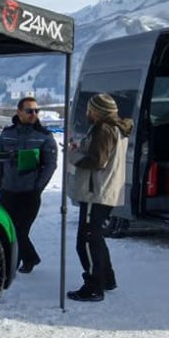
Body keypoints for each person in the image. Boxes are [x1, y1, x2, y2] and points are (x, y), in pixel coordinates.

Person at [66, 93, 133, 302]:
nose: (87, 113)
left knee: (86, 240)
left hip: (95, 192)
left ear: (97, 111)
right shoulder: (116, 127)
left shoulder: (103, 128)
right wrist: (81, 148)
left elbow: (97, 161)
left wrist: (73, 156)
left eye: (90, 109)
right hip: (105, 191)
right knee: (95, 237)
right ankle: (106, 279)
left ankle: (94, 286)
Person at [0, 97, 58, 273]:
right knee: (9, 229)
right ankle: (23, 260)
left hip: (29, 193)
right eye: (29, 111)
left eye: (36, 111)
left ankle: (24, 260)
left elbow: (51, 164)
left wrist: (38, 186)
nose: (34, 114)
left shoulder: (44, 136)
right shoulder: (7, 134)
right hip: (8, 191)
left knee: (20, 231)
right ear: (19, 112)